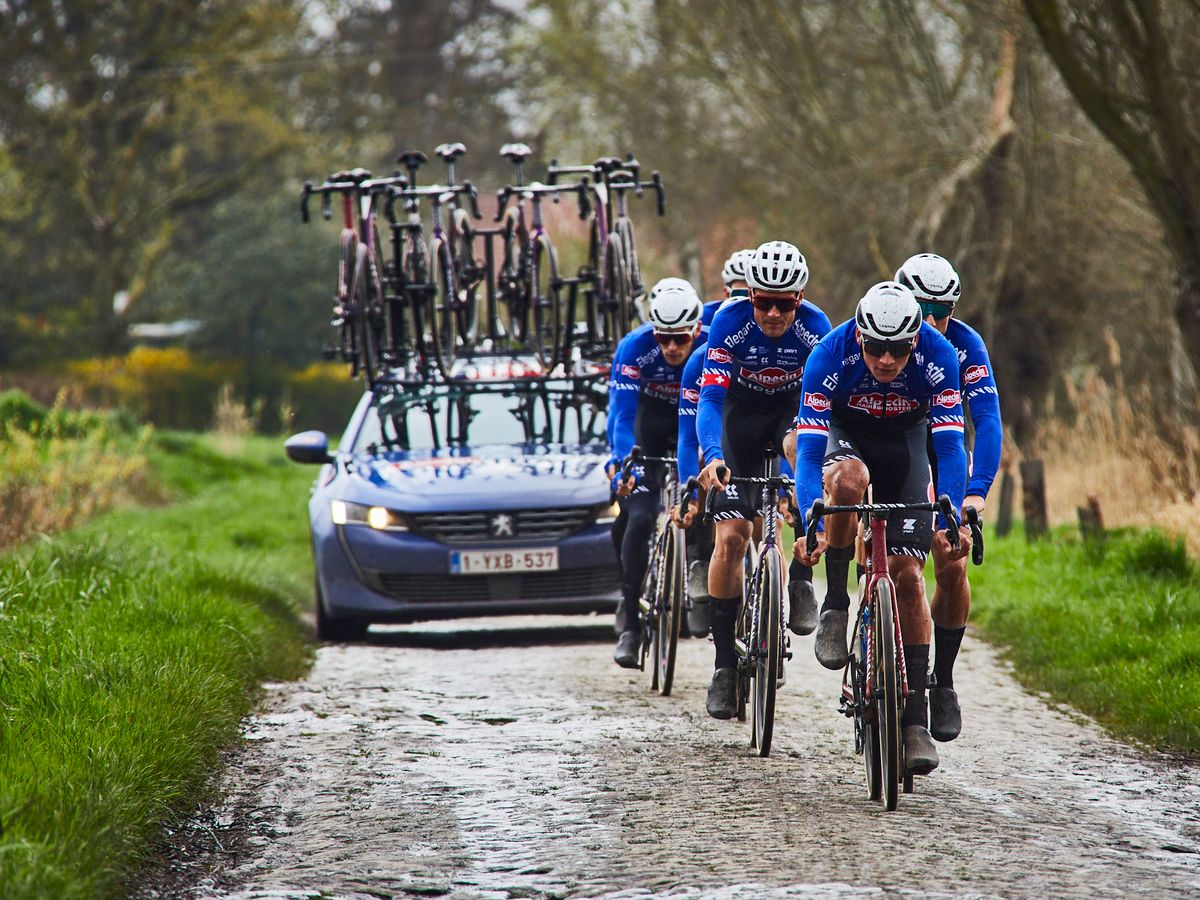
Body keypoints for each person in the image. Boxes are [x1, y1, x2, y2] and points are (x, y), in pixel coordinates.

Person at [790, 281, 971, 775]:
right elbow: (808, 451)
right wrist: (812, 512)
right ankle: (836, 602)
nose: (887, 360)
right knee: (848, 482)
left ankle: (914, 721)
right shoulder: (830, 353)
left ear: (916, 340)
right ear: (860, 336)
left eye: (898, 349)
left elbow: (951, 448)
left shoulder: (938, 356)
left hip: (905, 447)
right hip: (846, 439)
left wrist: (952, 512)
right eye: (875, 348)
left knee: (909, 577)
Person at [696, 240, 832, 718]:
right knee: (731, 537)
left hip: (792, 417)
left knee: (805, 483)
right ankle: (724, 666)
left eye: (784, 303)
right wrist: (712, 455)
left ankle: (799, 577)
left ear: (800, 299)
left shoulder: (817, 329)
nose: (773, 313)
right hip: (740, 420)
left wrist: (810, 470)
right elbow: (710, 400)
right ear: (749, 295)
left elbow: (823, 411)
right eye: (763, 302)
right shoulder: (729, 323)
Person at [895, 253, 1002, 742]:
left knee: (952, 564)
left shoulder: (965, 345)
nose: (934, 321)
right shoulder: (885, 333)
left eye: (943, 310)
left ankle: (943, 682)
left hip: (946, 453)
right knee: (893, 555)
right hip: (896, 445)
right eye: (923, 308)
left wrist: (975, 494)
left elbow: (987, 421)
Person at [607, 280, 707, 667]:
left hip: (692, 421)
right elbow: (622, 416)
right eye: (663, 338)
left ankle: (699, 568)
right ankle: (631, 623)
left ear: (696, 330)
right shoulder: (634, 347)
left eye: (679, 339)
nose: (671, 348)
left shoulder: (711, 344)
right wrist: (620, 462)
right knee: (641, 515)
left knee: (704, 501)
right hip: (647, 425)